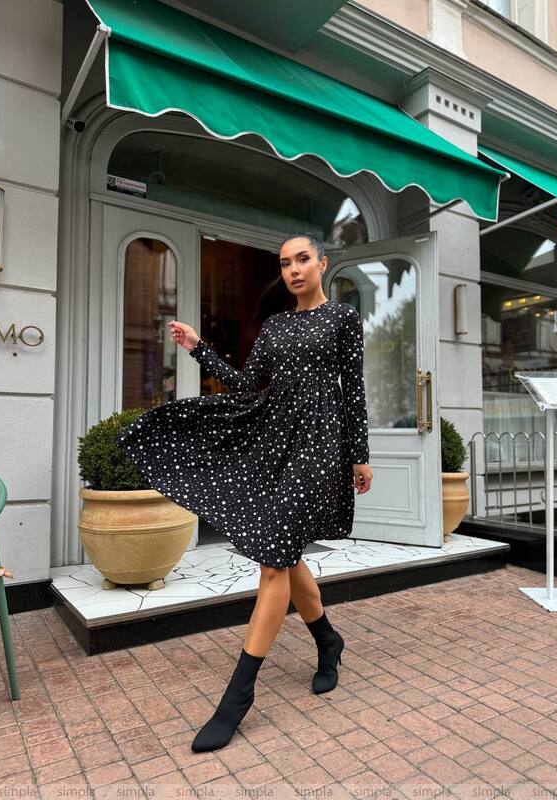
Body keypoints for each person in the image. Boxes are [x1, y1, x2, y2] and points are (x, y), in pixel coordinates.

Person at [116, 233, 372, 753]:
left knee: (275, 562)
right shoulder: (275, 326)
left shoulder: (342, 319)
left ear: (323, 263)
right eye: (285, 264)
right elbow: (247, 385)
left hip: (319, 447)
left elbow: (355, 388)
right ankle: (328, 641)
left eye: (303, 259)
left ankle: (237, 698)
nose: (294, 270)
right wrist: (199, 350)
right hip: (274, 441)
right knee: (285, 556)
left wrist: (359, 453)